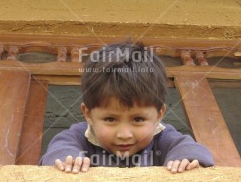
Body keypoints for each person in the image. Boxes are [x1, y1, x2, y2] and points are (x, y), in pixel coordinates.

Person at [39, 42, 214, 173]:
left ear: (159, 114)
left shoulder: (163, 137)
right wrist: (69, 161)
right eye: (110, 119)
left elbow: (190, 148)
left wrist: (186, 160)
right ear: (88, 114)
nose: (124, 134)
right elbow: (59, 149)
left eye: (138, 119)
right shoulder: (78, 137)